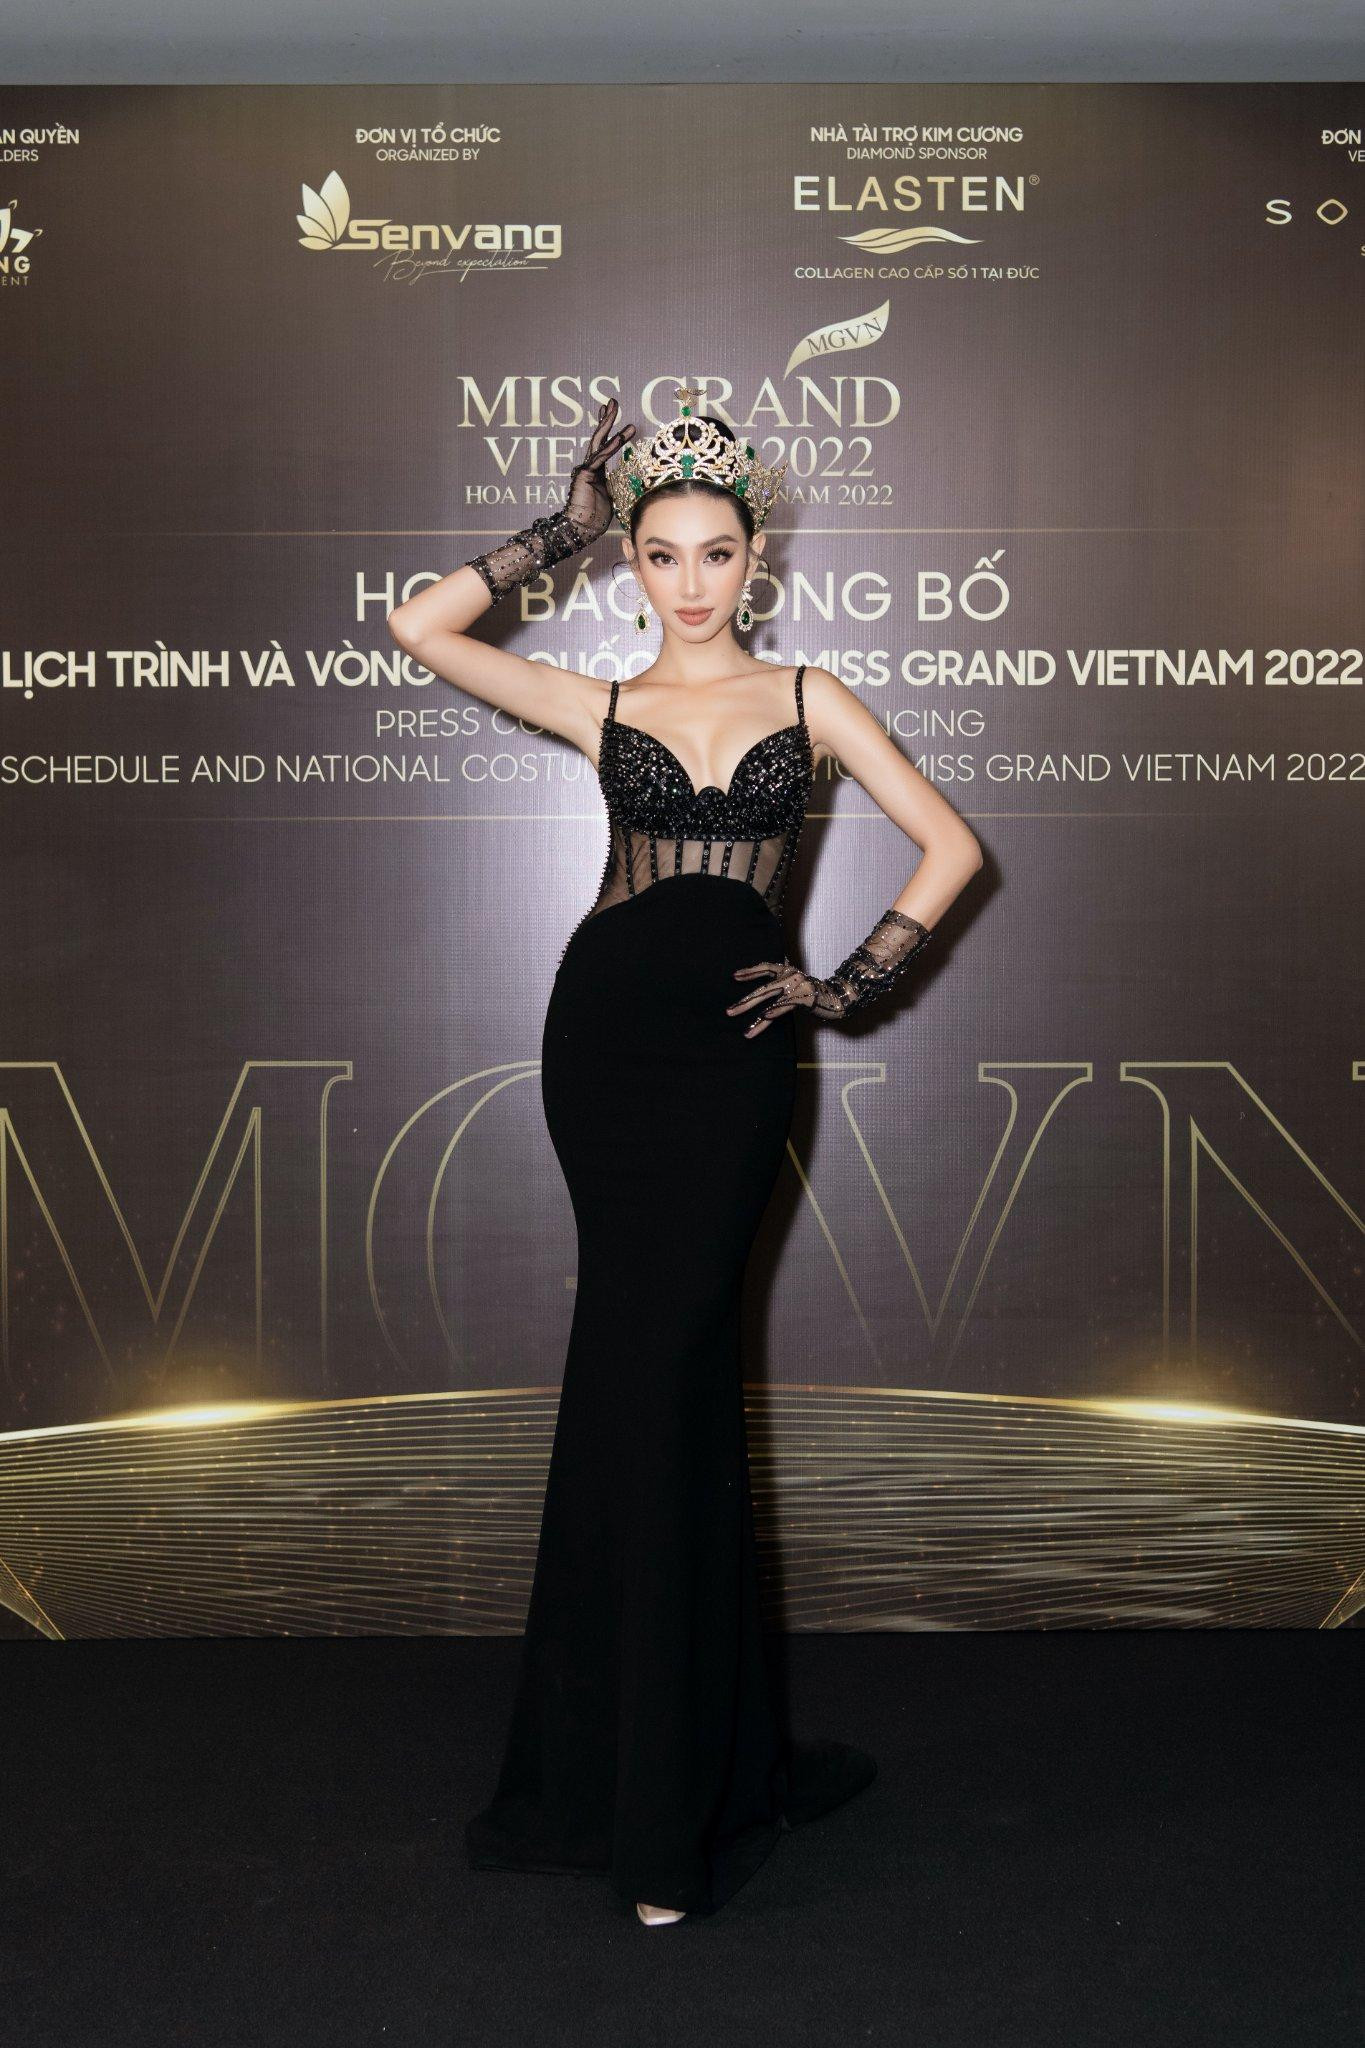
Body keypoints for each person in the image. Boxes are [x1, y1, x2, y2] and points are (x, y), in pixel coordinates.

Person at [387, 384, 983, 1927]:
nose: (692, 580)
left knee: (668, 1374)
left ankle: (673, 1789)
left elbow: (951, 847)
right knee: (631, 1372)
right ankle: (642, 1780)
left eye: (716, 551)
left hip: (731, 1062)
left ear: (753, 557)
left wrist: (850, 983)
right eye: (661, 555)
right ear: (635, 565)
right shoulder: (597, 705)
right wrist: (558, 531)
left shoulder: (809, 696)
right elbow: (421, 626)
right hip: (603, 1047)